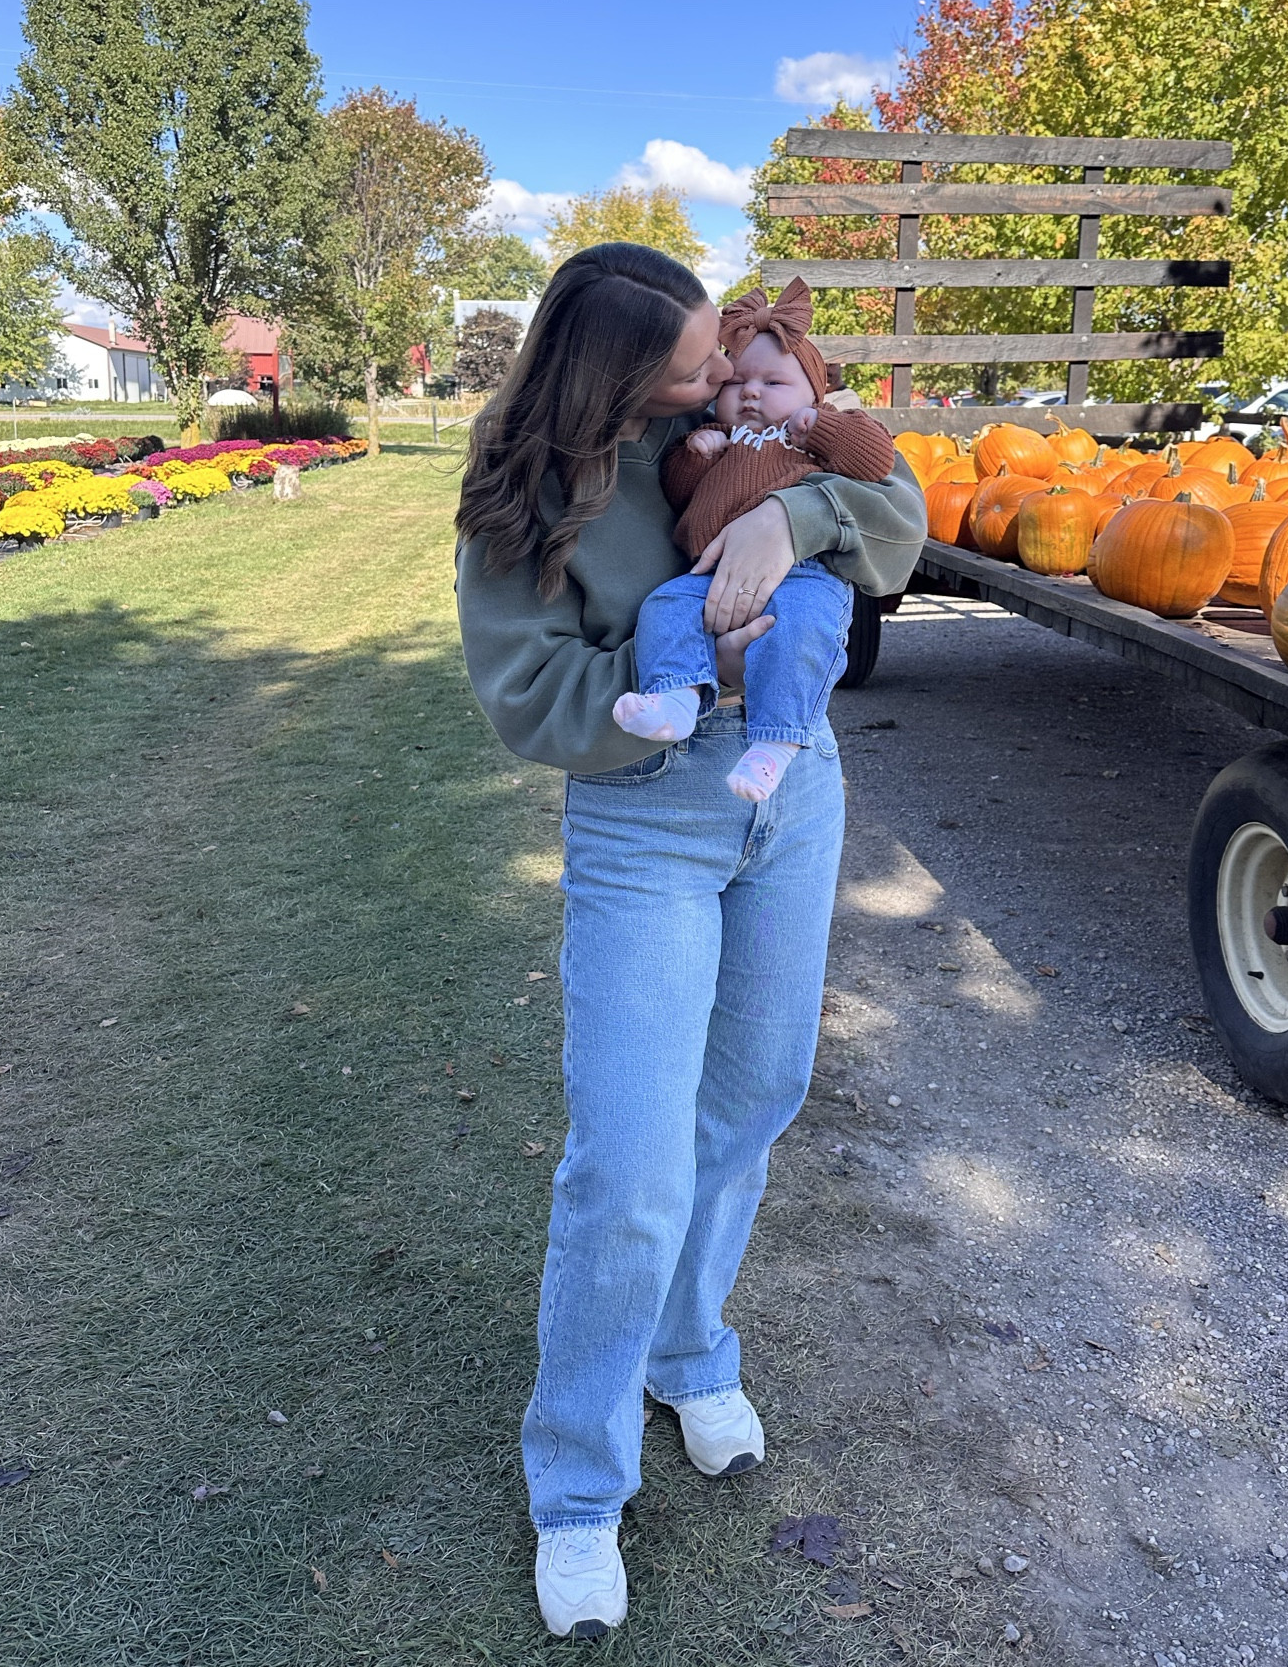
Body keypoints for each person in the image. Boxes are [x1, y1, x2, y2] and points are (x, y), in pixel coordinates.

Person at [454, 243, 924, 1641]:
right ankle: (578, 1487)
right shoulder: (523, 487)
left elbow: (895, 521)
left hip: (791, 792)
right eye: (687, 365)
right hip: (643, 812)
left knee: (756, 1094)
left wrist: (801, 524)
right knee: (629, 1162)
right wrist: (700, 666)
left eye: (719, 349)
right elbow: (526, 696)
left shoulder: (749, 417)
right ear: (611, 377)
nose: (719, 374)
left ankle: (683, 1348)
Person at [612, 277, 896, 802]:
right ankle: (675, 695)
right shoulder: (717, 438)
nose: (751, 392)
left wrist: (822, 429)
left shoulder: (814, 433)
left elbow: (878, 462)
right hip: (711, 573)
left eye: (774, 383)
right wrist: (698, 455)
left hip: (805, 574)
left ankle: (778, 743)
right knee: (665, 606)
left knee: (803, 632)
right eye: (736, 383)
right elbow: (680, 496)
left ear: (815, 393)